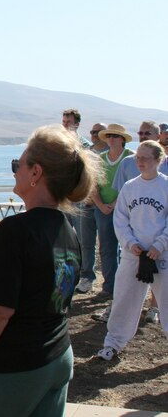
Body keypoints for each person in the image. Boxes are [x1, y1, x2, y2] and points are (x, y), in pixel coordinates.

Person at [0, 125, 102, 416]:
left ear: (36, 173)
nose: (14, 171)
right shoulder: (66, 229)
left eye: (17, 165)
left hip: (11, 370)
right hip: (56, 356)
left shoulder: (15, 232)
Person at [97, 141, 168, 361]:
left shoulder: (165, 186)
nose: (140, 162)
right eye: (138, 157)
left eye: (146, 158)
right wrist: (130, 243)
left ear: (158, 160)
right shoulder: (130, 187)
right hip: (133, 254)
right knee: (124, 299)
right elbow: (120, 219)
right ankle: (113, 342)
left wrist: (160, 244)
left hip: (161, 254)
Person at [82, 124, 133, 299]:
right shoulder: (100, 159)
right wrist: (102, 205)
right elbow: (93, 185)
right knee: (106, 248)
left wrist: (114, 203)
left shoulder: (130, 159)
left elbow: (131, 185)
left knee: (129, 248)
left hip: (126, 210)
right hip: (102, 209)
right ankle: (109, 287)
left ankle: (128, 288)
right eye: (109, 135)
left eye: (115, 136)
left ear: (123, 139)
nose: (111, 139)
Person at [74, 122, 108, 293]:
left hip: (104, 205)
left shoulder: (111, 154)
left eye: (98, 132)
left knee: (108, 245)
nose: (94, 135)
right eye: (92, 132)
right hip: (86, 204)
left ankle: (110, 283)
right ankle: (87, 277)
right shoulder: (88, 152)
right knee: (85, 243)